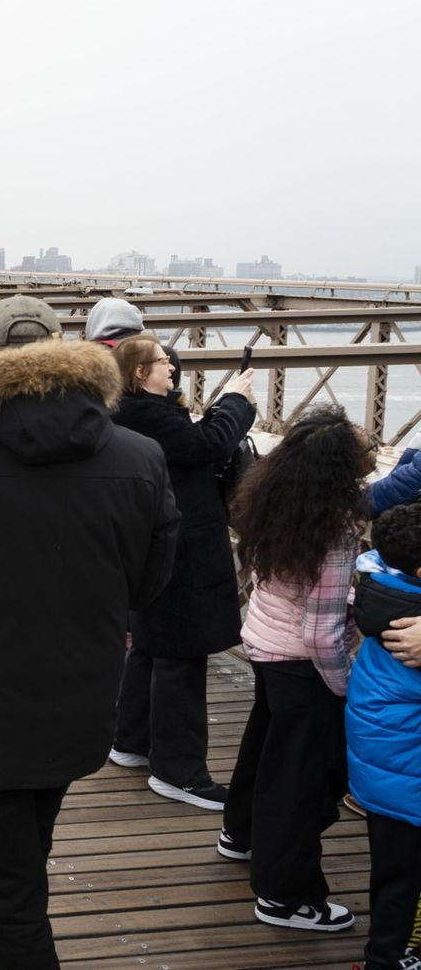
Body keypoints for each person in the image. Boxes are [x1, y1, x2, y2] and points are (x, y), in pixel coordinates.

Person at [0, 295, 180, 967]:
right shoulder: (140, 455)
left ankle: (4, 936)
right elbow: (151, 580)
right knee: (25, 848)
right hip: (80, 694)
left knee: (11, 888)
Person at [220, 406, 367, 933]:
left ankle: (240, 833)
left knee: (265, 747)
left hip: (263, 644)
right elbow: (322, 633)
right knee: (299, 781)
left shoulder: (270, 501)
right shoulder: (335, 531)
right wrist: (345, 689)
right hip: (302, 664)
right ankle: (285, 896)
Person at [107, 334, 257, 809]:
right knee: (183, 655)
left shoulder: (131, 411)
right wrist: (236, 400)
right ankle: (179, 772)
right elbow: (209, 443)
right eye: (161, 362)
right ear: (137, 372)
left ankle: (130, 742)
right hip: (181, 547)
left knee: (153, 646)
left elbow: (193, 440)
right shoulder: (145, 414)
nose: (171, 367)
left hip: (156, 544)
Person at [347, 503, 421, 967]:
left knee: (393, 874)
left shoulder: (387, 594)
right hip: (409, 781)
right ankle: (386, 959)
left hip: (387, 777)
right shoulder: (411, 630)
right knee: (403, 880)